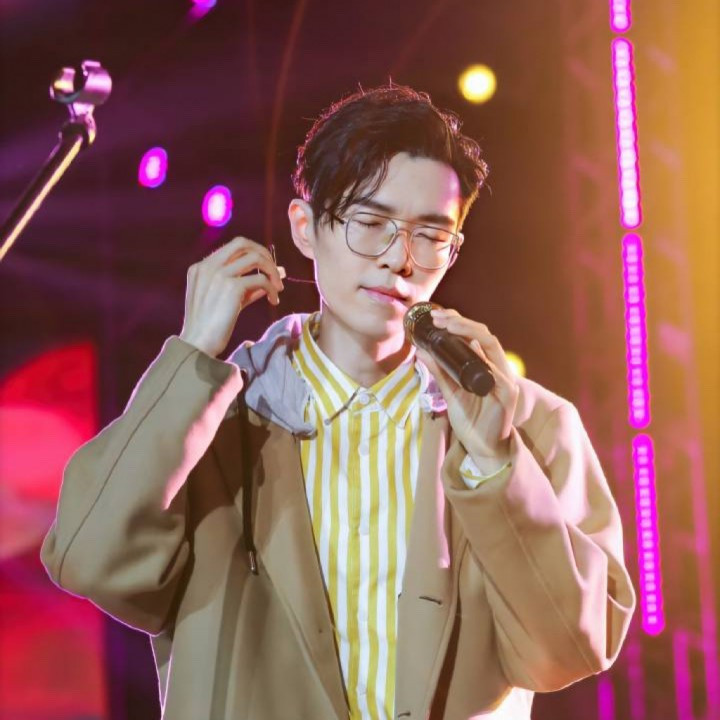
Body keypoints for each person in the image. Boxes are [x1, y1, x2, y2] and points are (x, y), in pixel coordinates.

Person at [41, 84, 636, 720]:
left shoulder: (527, 424)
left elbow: (572, 647)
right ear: (305, 227)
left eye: (431, 235)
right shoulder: (217, 419)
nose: (399, 261)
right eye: (371, 224)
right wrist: (192, 356)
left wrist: (496, 464)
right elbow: (89, 560)